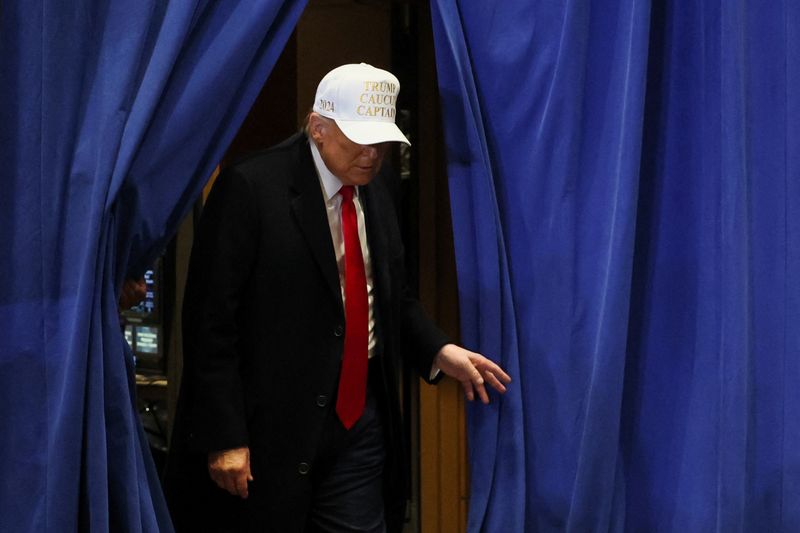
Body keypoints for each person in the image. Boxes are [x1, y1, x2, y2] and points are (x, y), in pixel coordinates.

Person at [166, 63, 510, 533]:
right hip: (270, 422)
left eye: (381, 142)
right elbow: (210, 324)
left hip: (359, 418)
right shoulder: (250, 187)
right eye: (358, 139)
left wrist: (438, 350)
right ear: (318, 128)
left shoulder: (379, 186)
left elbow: (390, 294)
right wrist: (223, 435)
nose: (371, 154)